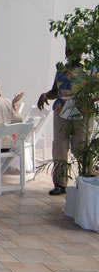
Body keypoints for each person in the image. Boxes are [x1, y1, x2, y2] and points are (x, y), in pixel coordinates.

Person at [38, 47, 91, 195]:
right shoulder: (61, 69)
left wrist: (87, 99)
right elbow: (55, 91)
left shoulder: (90, 69)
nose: (70, 52)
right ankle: (60, 184)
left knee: (80, 147)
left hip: (82, 111)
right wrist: (45, 96)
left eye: (74, 48)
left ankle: (86, 180)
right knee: (59, 147)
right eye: (68, 48)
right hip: (61, 110)